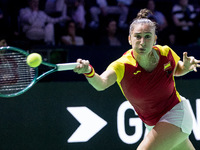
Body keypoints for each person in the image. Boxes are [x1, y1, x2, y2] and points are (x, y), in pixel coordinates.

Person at [73, 8, 199, 149]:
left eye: (147, 36)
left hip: (176, 112)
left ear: (155, 39)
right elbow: (101, 84)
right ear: (129, 39)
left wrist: (186, 67)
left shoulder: (165, 53)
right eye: (138, 36)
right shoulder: (122, 65)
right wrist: (89, 71)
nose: (142, 42)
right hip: (153, 124)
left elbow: (177, 69)